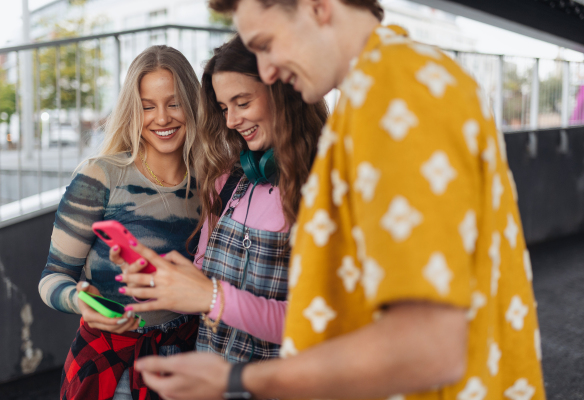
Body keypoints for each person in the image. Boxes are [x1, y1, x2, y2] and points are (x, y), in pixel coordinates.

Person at [131, 1, 547, 400]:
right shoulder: (398, 82)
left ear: (317, 7)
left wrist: (236, 380)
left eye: (266, 43)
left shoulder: (396, 91)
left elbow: (428, 348)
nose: (268, 69)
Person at [112, 34, 328, 364]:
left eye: (242, 103)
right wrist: (161, 276)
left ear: (286, 93)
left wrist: (212, 296)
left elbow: (315, 323)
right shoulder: (228, 181)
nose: (230, 121)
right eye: (224, 108)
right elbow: (203, 279)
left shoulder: (328, 190)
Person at [38, 45, 202, 400]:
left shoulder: (215, 182)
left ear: (193, 105)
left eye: (174, 103)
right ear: (132, 110)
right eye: (147, 106)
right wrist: (79, 301)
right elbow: (52, 276)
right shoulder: (100, 176)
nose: (162, 118)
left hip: (191, 357)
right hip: (112, 365)